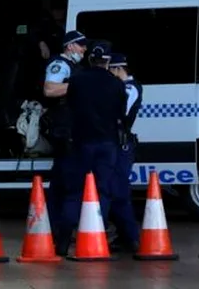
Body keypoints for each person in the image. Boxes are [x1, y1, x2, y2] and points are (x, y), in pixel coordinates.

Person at [59, 43, 125, 257]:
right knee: (103, 191)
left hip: (81, 142)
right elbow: (121, 114)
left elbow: (69, 105)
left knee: (75, 191)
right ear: (107, 61)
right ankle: (96, 235)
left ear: (90, 59)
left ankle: (64, 240)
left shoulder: (77, 80)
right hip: (107, 143)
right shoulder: (116, 84)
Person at [42, 29, 88, 243]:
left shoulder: (74, 67)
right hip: (64, 130)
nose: (84, 49)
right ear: (70, 46)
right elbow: (50, 90)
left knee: (61, 181)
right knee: (68, 182)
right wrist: (79, 86)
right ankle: (61, 230)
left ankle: (56, 227)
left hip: (70, 129)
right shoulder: (59, 65)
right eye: (81, 45)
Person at [106, 52, 142, 253]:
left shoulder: (130, 88)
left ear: (118, 69)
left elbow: (121, 112)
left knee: (118, 191)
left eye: (111, 69)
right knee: (111, 190)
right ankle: (124, 234)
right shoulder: (122, 87)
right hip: (114, 143)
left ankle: (131, 237)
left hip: (122, 144)